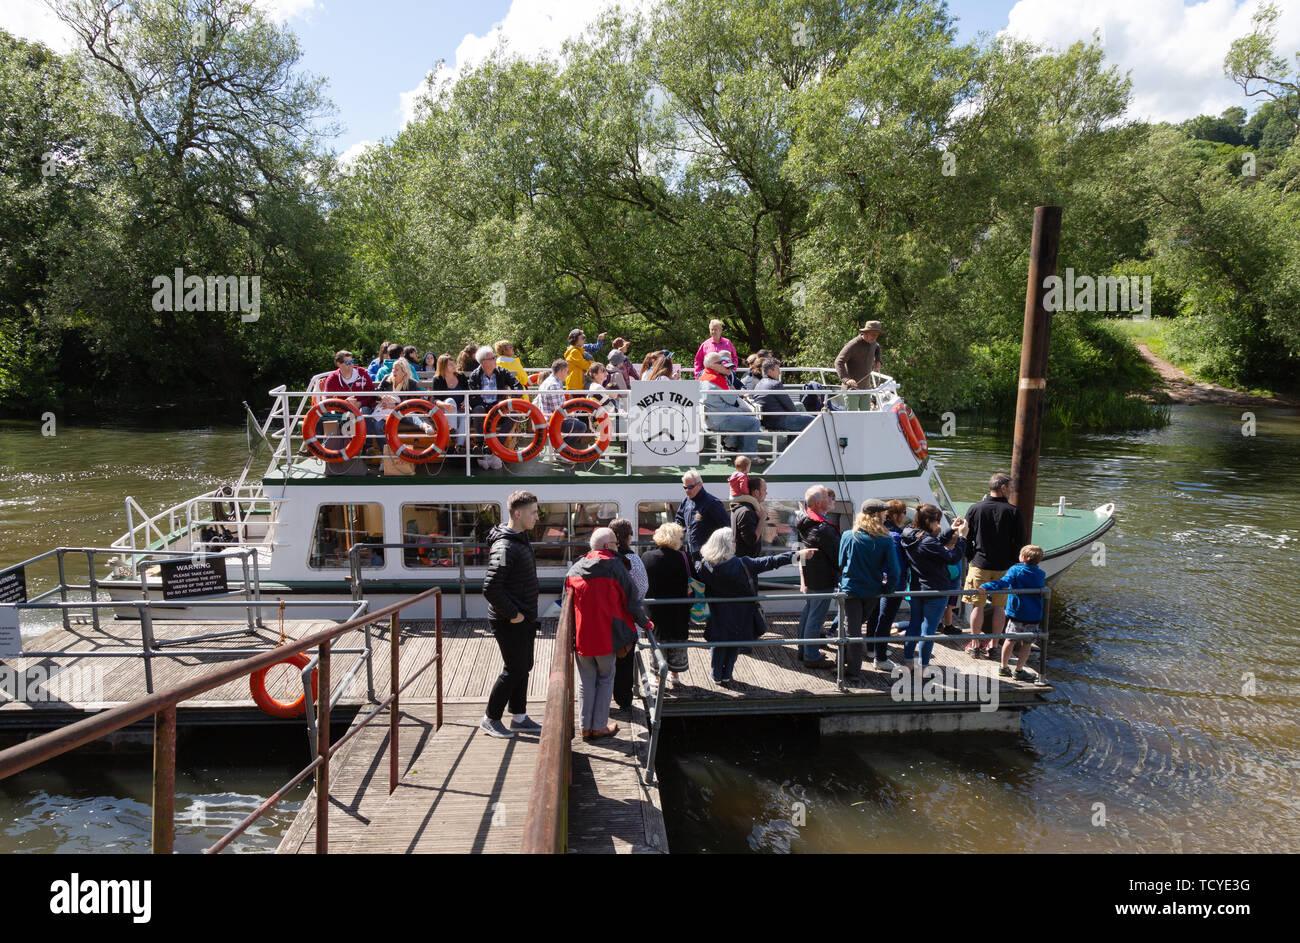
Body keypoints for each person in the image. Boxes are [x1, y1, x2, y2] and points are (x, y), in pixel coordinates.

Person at [695, 527, 814, 685]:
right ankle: (727, 674)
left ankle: (716, 675)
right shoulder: (743, 564)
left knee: (718, 644)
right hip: (741, 613)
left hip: (717, 612)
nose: (735, 542)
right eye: (733, 540)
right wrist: (798, 555)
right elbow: (771, 561)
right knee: (734, 645)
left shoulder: (704, 566)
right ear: (728, 545)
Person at [565, 527, 653, 740]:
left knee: (585, 681)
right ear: (607, 546)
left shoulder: (574, 569)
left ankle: (585, 727)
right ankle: (599, 727)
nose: (617, 547)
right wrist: (645, 623)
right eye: (614, 544)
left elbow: (566, 607)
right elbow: (631, 601)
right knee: (605, 679)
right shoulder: (615, 566)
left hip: (582, 636)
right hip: (606, 635)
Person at [480, 491, 542, 738]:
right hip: (509, 619)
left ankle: (519, 716)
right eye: (533, 512)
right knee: (513, 669)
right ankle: (490, 718)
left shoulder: (520, 538)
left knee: (524, 666)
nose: (537, 517)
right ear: (518, 513)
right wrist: (514, 614)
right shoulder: (505, 545)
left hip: (523, 616)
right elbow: (490, 587)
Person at [963, 472, 1027, 657]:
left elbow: (967, 536)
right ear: (1003, 488)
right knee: (1000, 607)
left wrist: (970, 557)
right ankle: (994, 645)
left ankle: (975, 644)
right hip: (1004, 567)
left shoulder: (975, 508)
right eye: (1011, 487)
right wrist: (1014, 563)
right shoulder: (1013, 512)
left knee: (978, 605)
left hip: (979, 563)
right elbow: (1020, 541)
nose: (1012, 490)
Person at [838, 499, 904, 678]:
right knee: (854, 629)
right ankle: (850, 667)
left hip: (851, 590)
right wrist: (887, 590)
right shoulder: (885, 540)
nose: (885, 515)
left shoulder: (847, 535)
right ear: (876, 515)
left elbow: (840, 563)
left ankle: (851, 671)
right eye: (883, 513)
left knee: (852, 631)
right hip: (873, 592)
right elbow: (894, 571)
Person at [899, 504, 968, 673]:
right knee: (928, 630)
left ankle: (908, 661)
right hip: (936, 591)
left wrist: (951, 530)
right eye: (937, 521)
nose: (939, 524)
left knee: (914, 626)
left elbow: (934, 546)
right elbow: (951, 557)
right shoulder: (927, 540)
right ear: (929, 521)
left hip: (917, 589)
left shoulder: (909, 534)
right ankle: (923, 668)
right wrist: (962, 538)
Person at [978, 544, 1045, 681]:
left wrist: (986, 586)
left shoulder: (1016, 570)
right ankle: (1019, 670)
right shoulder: (1040, 574)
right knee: (1027, 643)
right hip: (1033, 615)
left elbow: (1004, 582)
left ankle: (1003, 667)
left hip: (1017, 613)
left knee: (1009, 639)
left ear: (1023, 558)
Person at [641, 522, 692, 688]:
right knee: (676, 638)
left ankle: (656, 677)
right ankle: (674, 675)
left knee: (657, 641)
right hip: (679, 608)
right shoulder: (684, 558)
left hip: (655, 608)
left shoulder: (647, 557)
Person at [795, 485, 840, 667]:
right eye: (827, 497)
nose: (831, 499)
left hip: (812, 574)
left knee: (808, 613)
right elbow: (838, 555)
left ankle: (802, 650)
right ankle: (811, 656)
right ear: (820, 503)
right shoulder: (823, 529)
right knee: (816, 617)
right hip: (822, 577)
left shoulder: (804, 520)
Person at [609, 517, 648, 712]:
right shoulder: (633, 560)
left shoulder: (603, 559)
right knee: (625, 662)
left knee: (606, 662)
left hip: (606, 619)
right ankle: (624, 699)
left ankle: (604, 698)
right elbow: (642, 589)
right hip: (626, 621)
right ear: (628, 537)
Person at [467, 346, 525, 462]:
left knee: (514, 414)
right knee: (478, 409)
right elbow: (472, 399)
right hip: (484, 412)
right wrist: (489, 408)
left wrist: (510, 400)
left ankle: (497, 444)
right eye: (493, 357)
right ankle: (480, 444)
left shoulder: (502, 372)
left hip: (499, 409)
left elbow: (517, 386)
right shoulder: (475, 376)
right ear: (484, 362)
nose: (495, 359)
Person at [320, 349, 382, 454]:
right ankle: (316, 447)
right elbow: (327, 399)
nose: (351, 365)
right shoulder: (332, 378)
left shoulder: (362, 373)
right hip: (342, 410)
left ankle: (367, 446)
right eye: (348, 362)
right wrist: (343, 403)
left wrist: (360, 403)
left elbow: (371, 393)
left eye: (352, 362)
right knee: (322, 417)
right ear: (339, 364)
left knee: (364, 412)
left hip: (362, 408)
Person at [698, 351, 760, 456]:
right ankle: (750, 456)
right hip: (719, 420)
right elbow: (731, 400)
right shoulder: (715, 380)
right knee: (754, 422)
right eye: (720, 362)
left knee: (746, 414)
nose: (723, 363)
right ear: (713, 365)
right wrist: (732, 389)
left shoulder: (704, 377)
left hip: (711, 417)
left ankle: (735, 445)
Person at [872, 499, 910, 645]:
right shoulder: (895, 536)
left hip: (878, 580)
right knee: (885, 618)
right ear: (896, 516)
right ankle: (879, 654)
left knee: (877, 616)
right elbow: (896, 565)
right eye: (904, 512)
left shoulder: (879, 531)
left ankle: (872, 648)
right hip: (893, 584)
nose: (905, 516)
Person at [674, 471, 729, 560]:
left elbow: (726, 528)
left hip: (710, 556)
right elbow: (679, 521)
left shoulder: (713, 503)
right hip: (692, 553)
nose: (687, 490)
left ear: (700, 485)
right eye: (685, 487)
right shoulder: (686, 502)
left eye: (690, 487)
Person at [753, 358, 812, 433]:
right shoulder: (775, 384)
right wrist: (800, 416)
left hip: (767, 420)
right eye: (778, 369)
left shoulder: (759, 384)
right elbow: (792, 409)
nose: (780, 372)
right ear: (770, 371)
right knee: (814, 420)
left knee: (799, 405)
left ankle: (797, 438)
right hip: (778, 421)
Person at [430, 353, 469, 453]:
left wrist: (465, 401)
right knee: (450, 400)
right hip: (444, 411)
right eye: (450, 364)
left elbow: (468, 392)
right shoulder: (438, 379)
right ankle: (452, 431)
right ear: (443, 366)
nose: (454, 366)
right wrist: (444, 405)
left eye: (453, 363)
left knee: (465, 417)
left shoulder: (461, 377)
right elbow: (435, 399)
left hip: (460, 410)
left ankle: (459, 446)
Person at [834, 321, 884, 391]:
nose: (875, 337)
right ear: (865, 333)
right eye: (873, 334)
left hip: (866, 389)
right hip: (851, 390)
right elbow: (838, 362)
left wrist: (878, 360)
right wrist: (846, 379)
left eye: (877, 335)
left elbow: (877, 347)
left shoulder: (873, 342)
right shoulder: (853, 344)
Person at [729, 476, 766, 558]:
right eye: (764, 490)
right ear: (756, 492)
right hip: (746, 565)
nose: (766, 493)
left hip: (742, 563)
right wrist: (762, 519)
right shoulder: (747, 512)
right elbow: (752, 541)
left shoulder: (739, 508)